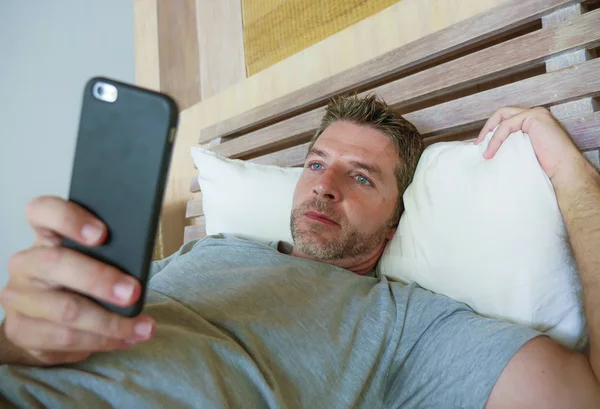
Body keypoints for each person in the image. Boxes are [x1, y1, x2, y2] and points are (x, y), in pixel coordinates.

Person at [0, 95, 598, 408]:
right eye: (316, 163)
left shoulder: (408, 325)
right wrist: (21, 336)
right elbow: (51, 331)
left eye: (362, 177)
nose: (324, 185)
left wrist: (570, 175)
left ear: (395, 221)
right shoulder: (214, 248)